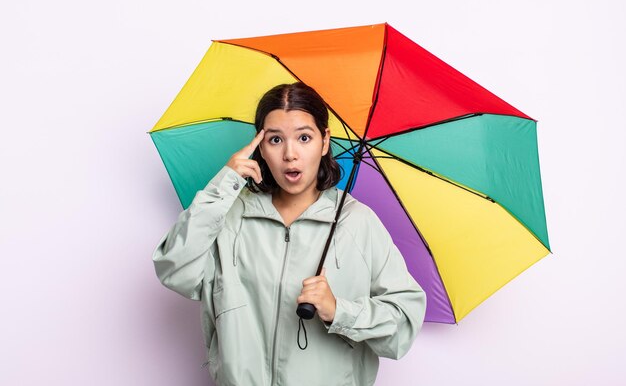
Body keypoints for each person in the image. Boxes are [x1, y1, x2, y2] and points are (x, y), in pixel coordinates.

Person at [152, 82, 426, 386]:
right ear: (260, 148)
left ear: (324, 142)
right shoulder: (230, 216)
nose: (290, 154)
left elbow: (402, 327)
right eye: (275, 140)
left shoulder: (357, 223)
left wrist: (339, 311)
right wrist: (223, 185)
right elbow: (174, 270)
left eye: (304, 137)